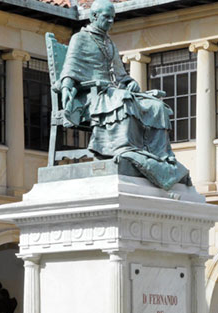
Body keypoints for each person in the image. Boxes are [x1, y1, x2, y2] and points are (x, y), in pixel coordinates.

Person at [57, 0, 190, 190]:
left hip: (112, 92)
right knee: (123, 100)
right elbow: (70, 70)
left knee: (157, 106)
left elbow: (121, 75)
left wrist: (130, 83)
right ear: (94, 16)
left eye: (113, 17)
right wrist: (67, 88)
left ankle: (159, 156)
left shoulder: (109, 43)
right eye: (106, 17)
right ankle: (121, 149)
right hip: (90, 95)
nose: (111, 21)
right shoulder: (80, 38)